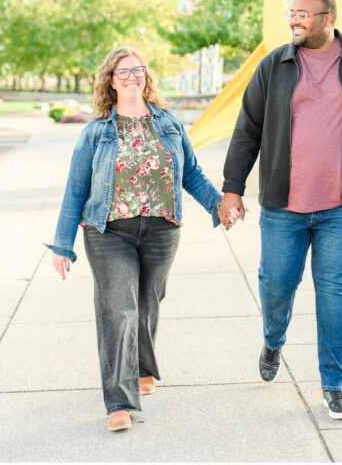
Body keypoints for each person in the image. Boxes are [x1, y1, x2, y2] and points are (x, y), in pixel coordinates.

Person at [219, 0, 342, 420]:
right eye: (292, 13)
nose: (295, 21)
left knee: (334, 289)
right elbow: (247, 128)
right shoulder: (275, 67)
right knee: (276, 286)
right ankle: (273, 340)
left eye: (304, 14)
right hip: (284, 205)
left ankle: (335, 385)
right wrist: (233, 188)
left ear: (328, 18)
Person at [46, 46, 227, 433]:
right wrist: (63, 245)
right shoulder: (96, 132)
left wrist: (218, 205)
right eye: (123, 72)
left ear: (147, 76)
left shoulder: (168, 124)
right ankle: (120, 402)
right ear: (110, 80)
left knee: (147, 303)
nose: (132, 77)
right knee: (119, 310)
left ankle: (143, 367)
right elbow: (75, 190)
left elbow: (191, 172)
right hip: (109, 231)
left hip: (162, 229)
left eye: (138, 70)